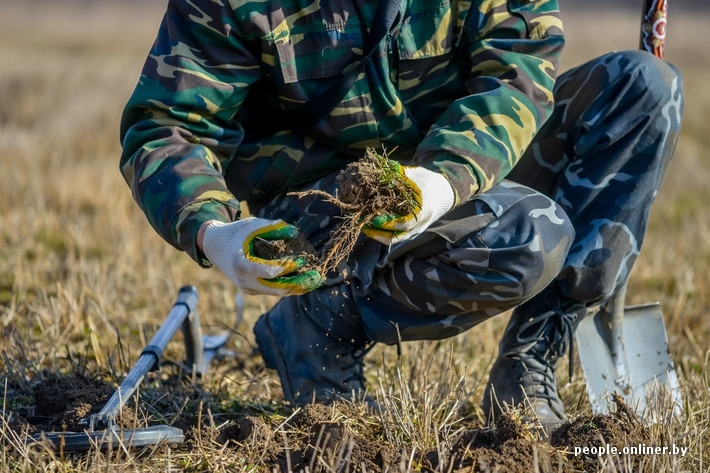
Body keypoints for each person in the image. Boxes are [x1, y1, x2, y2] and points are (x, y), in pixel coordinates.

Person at [119, 0, 683, 434]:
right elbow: (166, 124)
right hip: (324, 200)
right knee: (532, 236)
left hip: (456, 161)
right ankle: (319, 319)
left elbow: (517, 69)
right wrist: (210, 230)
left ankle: (532, 356)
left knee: (643, 89)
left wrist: (444, 179)